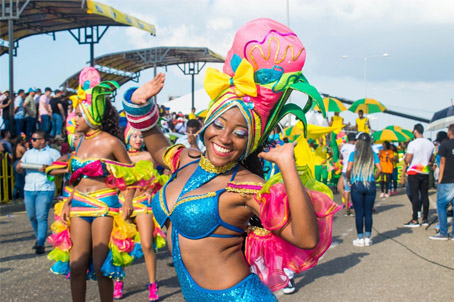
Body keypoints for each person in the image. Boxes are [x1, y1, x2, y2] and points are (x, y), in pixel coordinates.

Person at [123, 18, 340, 301]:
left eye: (239, 133)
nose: (225, 138)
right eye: (219, 124)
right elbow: (154, 141)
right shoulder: (185, 159)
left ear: (250, 141)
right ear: (207, 122)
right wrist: (139, 103)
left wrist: (287, 164)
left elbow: (307, 239)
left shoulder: (247, 186)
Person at [46, 67, 156, 302]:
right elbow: (74, 178)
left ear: (92, 115)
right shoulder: (78, 145)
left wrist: (127, 202)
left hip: (105, 204)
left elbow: (131, 176)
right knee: (76, 264)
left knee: (100, 264)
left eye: (78, 115)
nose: (73, 119)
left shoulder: (112, 142)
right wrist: (66, 202)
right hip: (78, 205)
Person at [113, 124, 167, 300]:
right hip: (122, 203)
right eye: (135, 136)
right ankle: (118, 282)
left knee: (146, 244)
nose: (138, 140)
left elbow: (166, 168)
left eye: (141, 136)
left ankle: (152, 284)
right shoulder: (120, 156)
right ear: (127, 137)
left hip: (143, 203)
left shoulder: (149, 156)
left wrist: (153, 189)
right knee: (121, 245)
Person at [16, 130, 61, 254]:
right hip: (29, 188)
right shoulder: (28, 153)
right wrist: (19, 167)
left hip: (45, 188)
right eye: (32, 139)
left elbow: (61, 167)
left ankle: (40, 243)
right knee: (31, 216)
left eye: (34, 139)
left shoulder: (53, 153)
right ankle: (38, 237)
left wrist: (49, 168)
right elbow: (19, 169)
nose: (32, 141)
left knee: (41, 216)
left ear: (42, 140)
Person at [347, 132, 382, 247]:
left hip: (357, 184)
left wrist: (349, 179)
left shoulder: (354, 154)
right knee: (368, 212)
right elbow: (380, 169)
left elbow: (348, 169)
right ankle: (368, 238)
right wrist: (374, 178)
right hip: (370, 184)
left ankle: (360, 238)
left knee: (359, 213)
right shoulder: (373, 154)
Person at [403, 123, 434, 227]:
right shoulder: (430, 144)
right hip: (424, 170)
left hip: (414, 171)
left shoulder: (412, 144)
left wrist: (405, 158)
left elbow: (408, 160)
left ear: (415, 131)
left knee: (415, 195)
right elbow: (431, 159)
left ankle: (415, 219)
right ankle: (425, 219)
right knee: (425, 195)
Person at [430, 124, 454, 240]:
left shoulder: (445, 145)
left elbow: (442, 163)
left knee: (441, 205)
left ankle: (443, 232)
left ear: (449, 132)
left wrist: (439, 179)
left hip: (447, 179)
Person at [340, 133, 356, 216]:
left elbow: (341, 157)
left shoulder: (344, 146)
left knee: (346, 189)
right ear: (353, 140)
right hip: (351, 169)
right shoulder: (354, 147)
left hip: (344, 170)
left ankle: (347, 208)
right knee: (354, 189)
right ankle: (354, 207)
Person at [12, 134, 27, 203]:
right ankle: (21, 197)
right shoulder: (21, 147)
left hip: (15, 163)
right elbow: (27, 155)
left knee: (17, 182)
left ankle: (14, 198)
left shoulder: (15, 147)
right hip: (20, 163)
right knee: (21, 182)